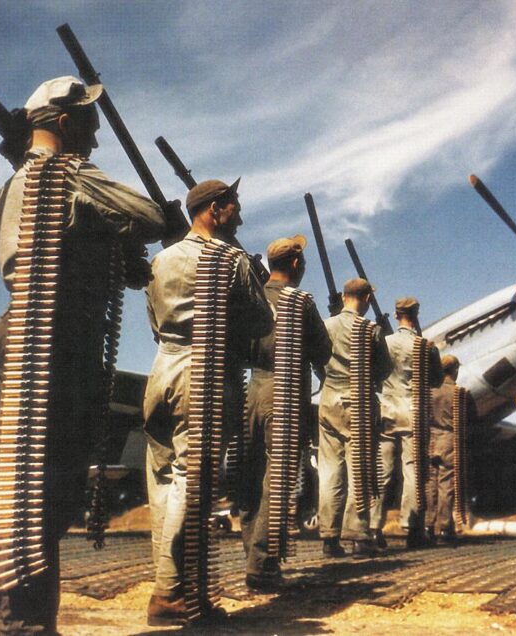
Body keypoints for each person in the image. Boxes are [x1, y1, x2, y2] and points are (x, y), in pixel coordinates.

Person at [0, 76, 169, 635]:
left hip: (45, 330)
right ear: (63, 123)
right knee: (28, 499)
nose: (96, 142)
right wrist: (149, 222)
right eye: (89, 126)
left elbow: (122, 262)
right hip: (52, 333)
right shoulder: (65, 175)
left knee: (35, 498)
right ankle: (12, 627)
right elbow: (150, 216)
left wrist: (117, 244)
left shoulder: (19, 185)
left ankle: (23, 624)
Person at [143, 178, 273, 624]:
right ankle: (170, 593)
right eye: (234, 207)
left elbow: (154, 322)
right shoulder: (231, 259)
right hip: (206, 373)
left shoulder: (161, 260)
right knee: (190, 482)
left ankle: (178, 589)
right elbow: (262, 321)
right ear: (214, 210)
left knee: (163, 480)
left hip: (162, 370)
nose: (239, 215)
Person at [239, 235, 331, 591]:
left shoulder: (253, 295)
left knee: (249, 476)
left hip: (254, 387)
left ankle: (254, 555)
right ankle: (263, 565)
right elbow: (323, 351)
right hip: (287, 390)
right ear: (295, 265)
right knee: (278, 480)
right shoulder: (301, 301)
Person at [317, 278, 393, 558]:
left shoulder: (327, 325)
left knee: (329, 472)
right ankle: (360, 535)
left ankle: (329, 537)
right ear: (367, 300)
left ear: (344, 296)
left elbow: (317, 359)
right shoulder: (370, 329)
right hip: (358, 402)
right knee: (360, 471)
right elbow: (384, 370)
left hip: (329, 400)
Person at [373, 297, 443, 547]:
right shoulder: (425, 346)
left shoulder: (385, 343)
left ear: (395, 314)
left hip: (388, 411)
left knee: (383, 471)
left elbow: (375, 375)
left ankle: (373, 529)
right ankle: (413, 529)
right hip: (414, 412)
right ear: (417, 314)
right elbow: (436, 381)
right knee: (413, 472)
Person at [427, 354, 475, 540]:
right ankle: (445, 527)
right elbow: (472, 419)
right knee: (446, 485)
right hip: (449, 440)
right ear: (454, 370)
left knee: (429, 483)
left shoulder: (430, 391)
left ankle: (427, 526)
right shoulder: (461, 393)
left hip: (430, 439)